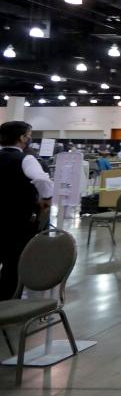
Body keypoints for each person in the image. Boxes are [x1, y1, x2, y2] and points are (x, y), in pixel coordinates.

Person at [0, 121, 53, 301]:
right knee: (12, 263)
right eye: (28, 134)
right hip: (17, 220)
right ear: (22, 137)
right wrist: (47, 198)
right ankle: (7, 306)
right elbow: (42, 180)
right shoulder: (26, 159)